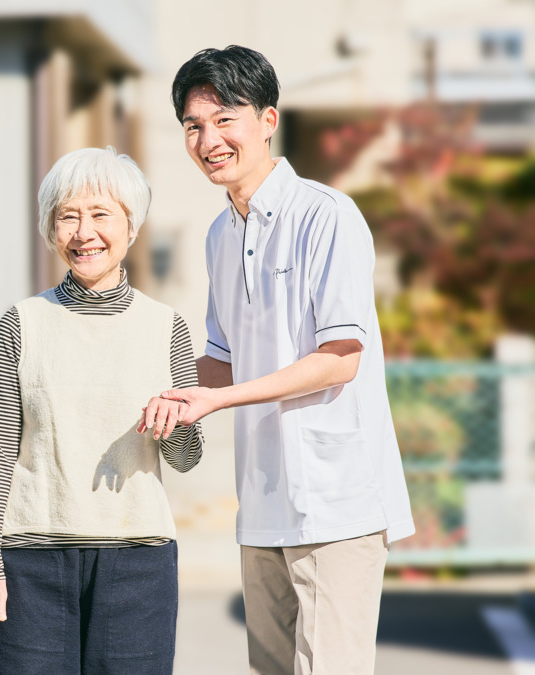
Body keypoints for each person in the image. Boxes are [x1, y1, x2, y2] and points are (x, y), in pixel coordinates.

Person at [138, 46, 414, 675]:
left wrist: (217, 399)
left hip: (336, 500)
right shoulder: (219, 233)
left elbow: (340, 358)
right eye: (192, 126)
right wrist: (162, 394)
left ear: (267, 119)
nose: (209, 139)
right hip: (262, 505)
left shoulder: (327, 215)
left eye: (224, 119)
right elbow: (221, 361)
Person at [0, 147, 204, 674]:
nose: (83, 232)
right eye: (67, 216)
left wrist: (175, 424)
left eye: (100, 214)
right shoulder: (22, 323)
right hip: (30, 563)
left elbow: (187, 459)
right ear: (51, 229)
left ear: (131, 226)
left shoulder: (166, 327)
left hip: (137, 565)